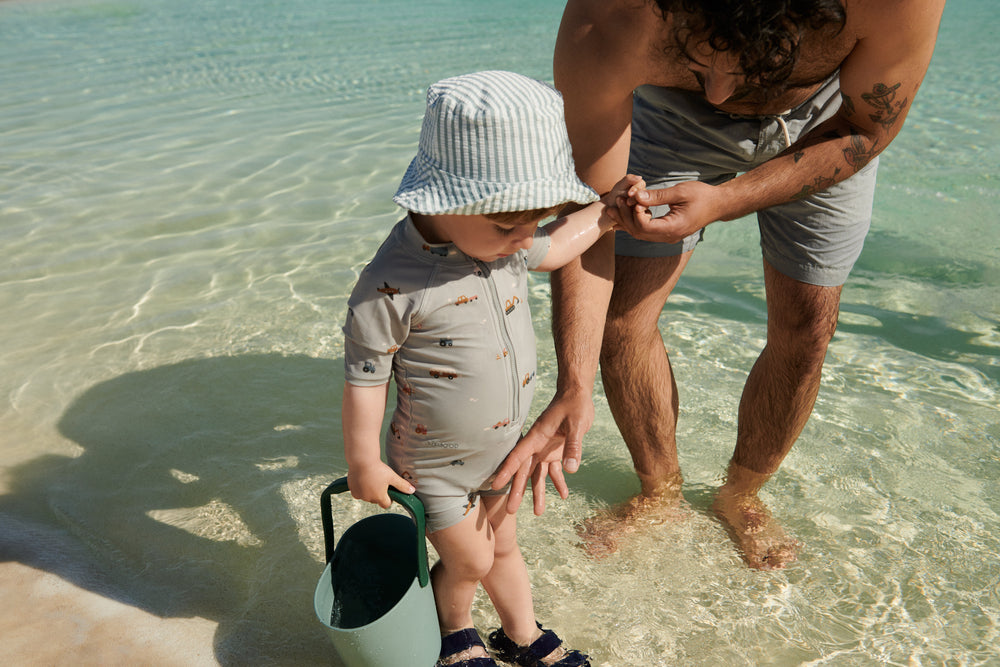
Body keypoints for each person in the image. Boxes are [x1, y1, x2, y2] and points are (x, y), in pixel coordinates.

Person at [493, 0, 947, 569]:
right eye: (696, 59)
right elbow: (591, 216)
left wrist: (727, 201)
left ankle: (742, 494)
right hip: (664, 120)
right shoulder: (608, 18)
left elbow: (865, 130)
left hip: (830, 117)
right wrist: (573, 384)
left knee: (807, 329)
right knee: (620, 323)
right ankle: (660, 492)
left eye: (750, 66)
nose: (718, 94)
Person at [342, 70, 641, 667]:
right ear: (446, 202)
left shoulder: (502, 237)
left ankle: (520, 634)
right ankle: (455, 631)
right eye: (510, 226)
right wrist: (363, 461)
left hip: (503, 451)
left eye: (531, 221)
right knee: (472, 559)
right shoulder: (392, 285)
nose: (523, 239)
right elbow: (365, 378)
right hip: (435, 467)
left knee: (503, 546)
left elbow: (557, 247)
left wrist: (605, 217)